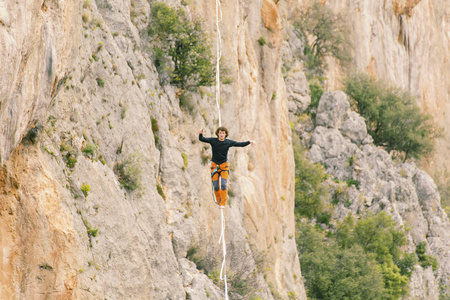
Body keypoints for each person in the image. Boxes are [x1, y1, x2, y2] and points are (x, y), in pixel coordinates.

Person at [199, 127, 255, 208]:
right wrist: (200, 134)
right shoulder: (213, 141)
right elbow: (202, 139)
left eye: (223, 133)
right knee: (216, 186)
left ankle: (222, 203)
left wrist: (249, 142)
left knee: (223, 185)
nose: (221, 134)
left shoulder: (228, 142)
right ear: (218, 134)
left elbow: (239, 144)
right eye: (220, 133)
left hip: (224, 166)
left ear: (225, 135)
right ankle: (219, 201)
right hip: (214, 166)